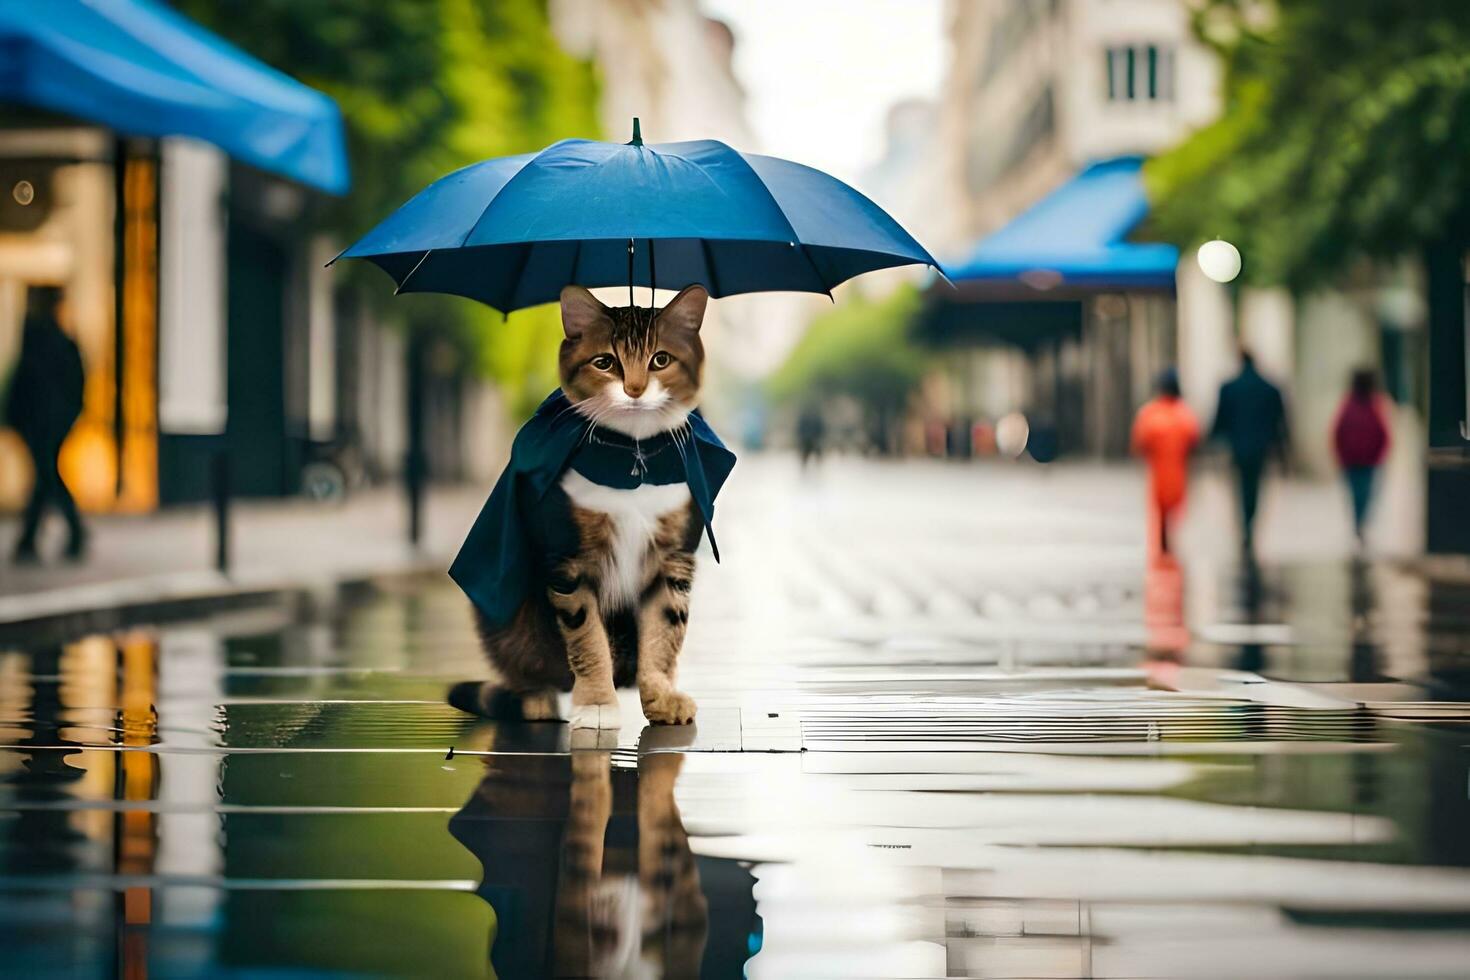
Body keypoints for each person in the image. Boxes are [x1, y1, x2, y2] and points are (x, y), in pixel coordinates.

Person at [5, 286, 86, 562]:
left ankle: (44, 536)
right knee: (45, 477)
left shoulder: (45, 341)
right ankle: (43, 537)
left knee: (46, 476)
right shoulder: (53, 340)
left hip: (44, 424)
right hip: (46, 423)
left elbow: (27, 386)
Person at [1211, 350, 1288, 554]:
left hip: (1238, 447)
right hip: (1261, 447)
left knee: (1241, 487)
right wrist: (1282, 449)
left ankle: (1245, 525)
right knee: (1255, 487)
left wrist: (1214, 442)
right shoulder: (1269, 388)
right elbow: (1280, 420)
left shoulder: (1229, 388)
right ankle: (1250, 522)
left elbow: (1220, 419)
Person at [1131, 368, 1200, 555]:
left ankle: (1164, 538)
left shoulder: (1150, 413)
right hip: (1177, 467)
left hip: (1159, 468)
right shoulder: (1183, 413)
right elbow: (1194, 439)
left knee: (1160, 505)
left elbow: (1140, 441)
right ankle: (1166, 537)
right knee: (1174, 504)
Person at [1332, 368, 1391, 546]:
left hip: (1356, 460)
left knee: (1357, 494)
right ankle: (1360, 524)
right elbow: (1384, 434)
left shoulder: (1350, 405)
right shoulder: (1375, 405)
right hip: (1365, 461)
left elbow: (1337, 432)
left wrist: (1342, 455)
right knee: (1365, 494)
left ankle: (1359, 524)